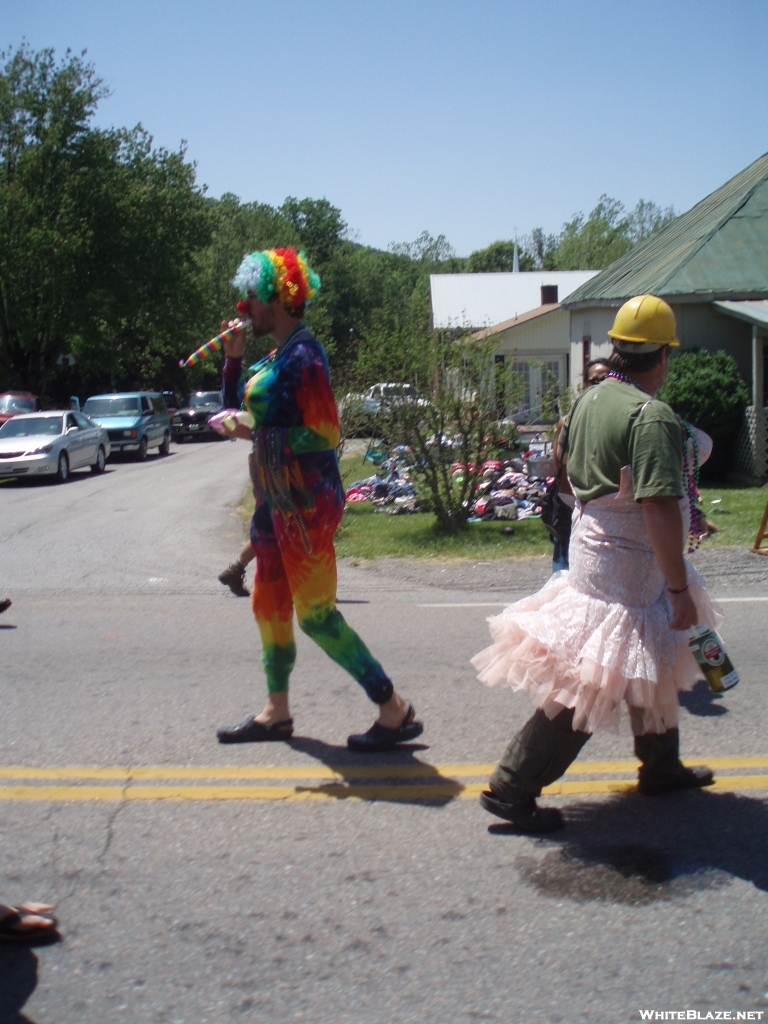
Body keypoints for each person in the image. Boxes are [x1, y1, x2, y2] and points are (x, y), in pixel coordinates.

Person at [473, 295, 717, 833]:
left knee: (650, 657)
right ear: (663, 357)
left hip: (596, 559)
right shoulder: (649, 416)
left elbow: (568, 478)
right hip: (629, 572)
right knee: (593, 682)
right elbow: (655, 506)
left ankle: (661, 766)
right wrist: (679, 590)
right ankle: (512, 787)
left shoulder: (589, 400)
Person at [216, 247, 423, 752]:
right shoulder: (276, 355)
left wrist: (259, 434)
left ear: (277, 297)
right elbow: (237, 412)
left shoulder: (305, 355)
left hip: (306, 504)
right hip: (275, 499)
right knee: (268, 601)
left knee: (315, 616)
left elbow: (325, 433)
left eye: (252, 297)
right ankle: (276, 712)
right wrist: (233, 362)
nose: (245, 307)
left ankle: (394, 709)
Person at [548, 360, 611, 572]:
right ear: (585, 384)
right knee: (563, 569)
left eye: (606, 379)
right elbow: (558, 461)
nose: (600, 384)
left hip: (602, 504)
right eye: (594, 380)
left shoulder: (617, 420)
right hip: (570, 501)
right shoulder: (567, 421)